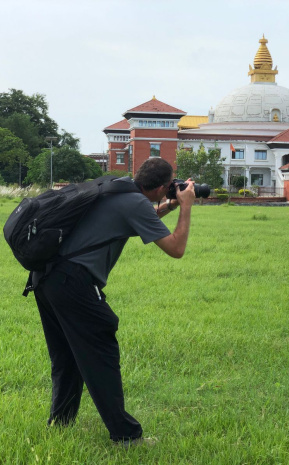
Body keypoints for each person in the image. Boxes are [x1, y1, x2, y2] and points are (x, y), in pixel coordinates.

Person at [32, 158, 195, 446]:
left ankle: (60, 424)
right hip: (73, 281)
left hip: (45, 276)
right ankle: (125, 436)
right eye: (171, 186)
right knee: (101, 353)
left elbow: (137, 219)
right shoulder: (134, 203)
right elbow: (176, 249)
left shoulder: (116, 188)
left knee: (67, 355)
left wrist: (168, 205)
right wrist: (186, 206)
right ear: (162, 186)